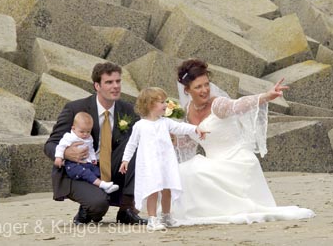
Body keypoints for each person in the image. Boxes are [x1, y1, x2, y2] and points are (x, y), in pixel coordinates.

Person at [172, 58, 315, 225]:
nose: (205, 90)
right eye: (198, 87)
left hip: (237, 162)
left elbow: (238, 105)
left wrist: (267, 96)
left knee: (194, 170)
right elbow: (188, 143)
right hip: (213, 164)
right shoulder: (187, 111)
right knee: (182, 170)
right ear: (187, 90)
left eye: (206, 84)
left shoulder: (217, 104)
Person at [44, 62, 147, 225]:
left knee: (137, 142)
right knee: (98, 205)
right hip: (81, 169)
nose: (115, 86)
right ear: (97, 85)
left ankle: (127, 209)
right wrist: (65, 153)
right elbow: (50, 144)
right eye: (109, 82)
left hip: (113, 166)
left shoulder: (127, 109)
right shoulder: (75, 108)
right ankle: (88, 206)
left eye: (118, 81)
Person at [119, 87, 207, 231]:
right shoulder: (140, 126)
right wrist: (125, 160)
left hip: (166, 163)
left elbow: (180, 127)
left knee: (167, 189)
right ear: (149, 104)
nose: (166, 105)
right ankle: (152, 219)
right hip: (150, 164)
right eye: (161, 102)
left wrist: (195, 129)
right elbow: (132, 144)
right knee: (153, 190)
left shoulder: (165, 122)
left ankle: (166, 216)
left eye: (165, 101)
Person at [54, 112, 119, 194]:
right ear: (73, 128)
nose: (85, 134)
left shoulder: (89, 138)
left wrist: (93, 158)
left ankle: (105, 187)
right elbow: (60, 147)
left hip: (86, 162)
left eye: (88, 131)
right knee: (86, 173)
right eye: (82, 132)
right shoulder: (69, 137)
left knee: (96, 171)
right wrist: (59, 157)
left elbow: (91, 149)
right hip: (73, 165)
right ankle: (102, 184)